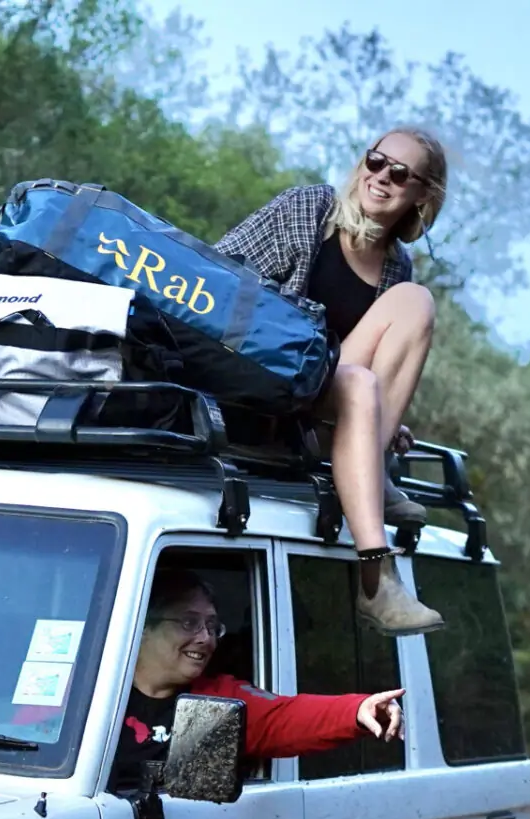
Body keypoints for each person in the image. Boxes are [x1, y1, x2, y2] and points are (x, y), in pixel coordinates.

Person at [216, 128, 451, 636]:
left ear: (421, 196)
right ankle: (376, 574)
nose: (380, 178)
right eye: (375, 161)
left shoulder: (395, 266)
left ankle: (371, 455)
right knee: (362, 386)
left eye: (399, 174)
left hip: (313, 409)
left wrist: (379, 420)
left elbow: (365, 359)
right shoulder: (309, 211)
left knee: (415, 303)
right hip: (258, 386)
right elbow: (213, 281)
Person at [108, 571, 401, 793]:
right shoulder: (96, 691)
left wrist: (357, 709)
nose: (205, 638)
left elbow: (287, 715)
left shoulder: (219, 699)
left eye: (212, 626)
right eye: (189, 623)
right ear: (144, 627)